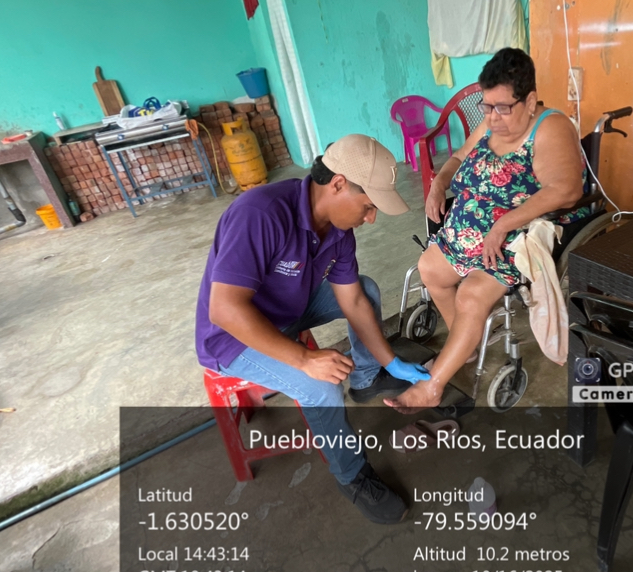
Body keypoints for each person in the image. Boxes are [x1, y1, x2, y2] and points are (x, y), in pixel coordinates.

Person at [195, 134, 427, 524]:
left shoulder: (339, 230)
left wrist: (391, 360)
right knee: (319, 386)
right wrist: (304, 359)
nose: (371, 219)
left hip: (289, 310)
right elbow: (224, 309)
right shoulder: (261, 214)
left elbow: (353, 301)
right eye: (368, 206)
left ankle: (368, 376)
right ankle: (351, 475)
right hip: (233, 337)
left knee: (366, 290)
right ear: (338, 184)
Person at [386, 48, 591, 412]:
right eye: (487, 106)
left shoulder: (551, 128)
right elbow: (458, 157)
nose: (493, 117)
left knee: (470, 296)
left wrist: (503, 225)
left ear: (530, 101)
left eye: (503, 107)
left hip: (513, 237)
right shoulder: (492, 123)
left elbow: (567, 190)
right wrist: (438, 184)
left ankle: (433, 386)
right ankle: (465, 344)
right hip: (469, 230)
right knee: (429, 269)